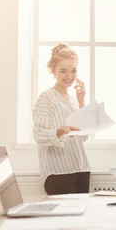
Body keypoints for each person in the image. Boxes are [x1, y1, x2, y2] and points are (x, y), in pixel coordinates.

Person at [33, 43, 91, 195]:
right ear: (53, 71)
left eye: (73, 71)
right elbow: (38, 134)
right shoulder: (46, 98)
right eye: (63, 71)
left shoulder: (73, 100)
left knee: (82, 218)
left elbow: (83, 137)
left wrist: (81, 101)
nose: (69, 76)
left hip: (81, 169)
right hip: (58, 173)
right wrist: (59, 131)